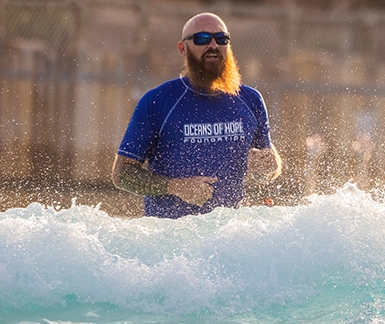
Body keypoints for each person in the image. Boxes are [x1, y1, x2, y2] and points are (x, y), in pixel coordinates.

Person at [112, 12, 282, 218]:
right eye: (202, 38)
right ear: (182, 48)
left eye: (221, 39)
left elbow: (264, 173)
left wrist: (269, 167)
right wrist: (176, 187)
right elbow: (122, 174)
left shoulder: (250, 99)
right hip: (171, 237)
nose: (213, 45)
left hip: (228, 235)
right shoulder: (158, 101)